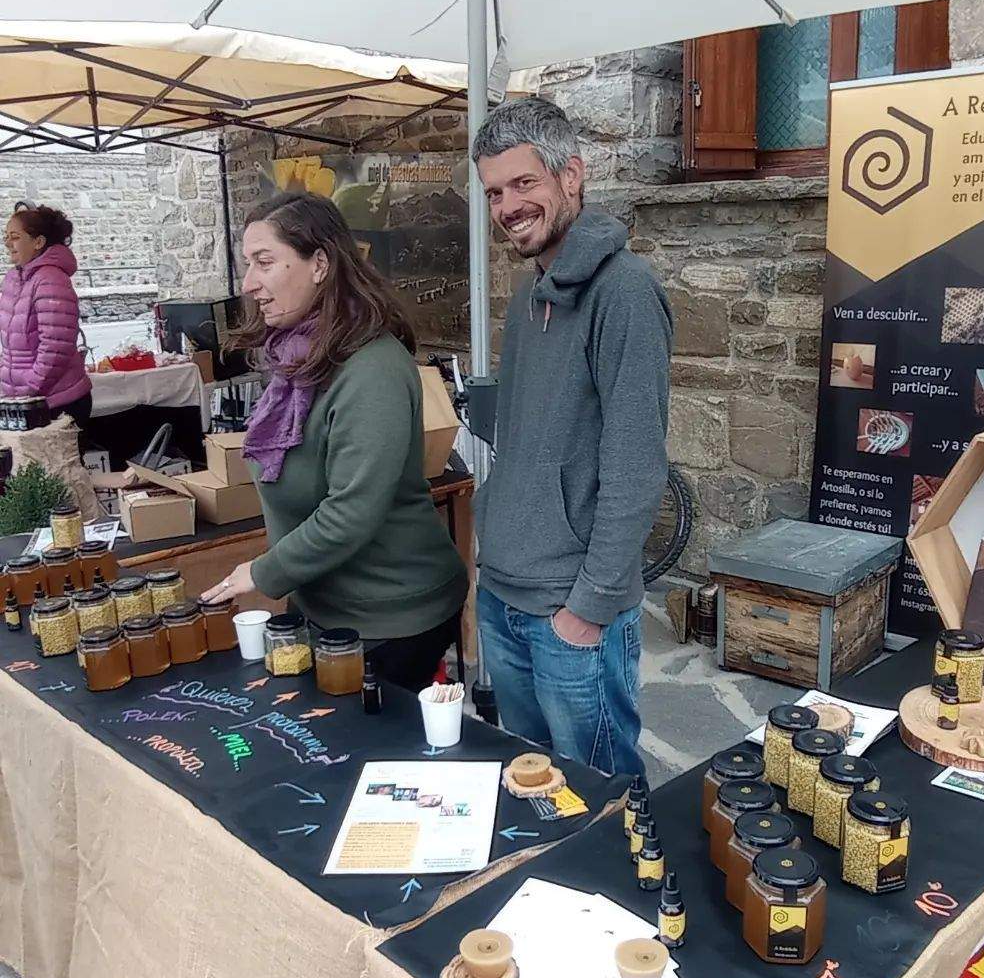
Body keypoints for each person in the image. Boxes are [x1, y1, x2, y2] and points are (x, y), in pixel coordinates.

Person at [471, 97, 672, 777]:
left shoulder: (626, 292)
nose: (507, 207)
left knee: (603, 803)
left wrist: (586, 610)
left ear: (572, 176)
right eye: (494, 191)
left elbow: (637, 467)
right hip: (503, 598)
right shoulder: (531, 295)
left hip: (569, 613)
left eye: (524, 183)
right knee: (535, 796)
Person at [201, 192, 467, 693]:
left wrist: (264, 571)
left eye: (265, 262)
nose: (249, 283)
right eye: (247, 264)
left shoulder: (372, 369)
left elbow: (353, 510)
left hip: (391, 616)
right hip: (325, 606)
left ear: (320, 263)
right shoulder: (297, 360)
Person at [0, 202, 91, 426]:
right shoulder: (13, 279)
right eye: (6, 236)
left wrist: (30, 386)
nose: (7, 243)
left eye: (15, 237)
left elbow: (55, 346)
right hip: (24, 401)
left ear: (38, 242)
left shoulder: (51, 279)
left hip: (56, 401)